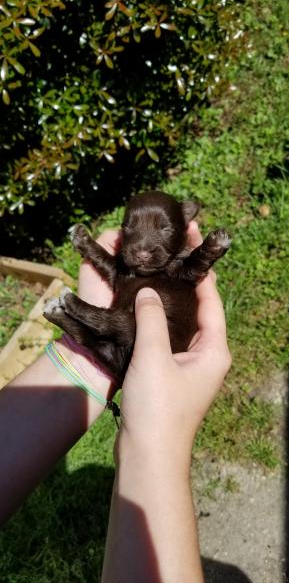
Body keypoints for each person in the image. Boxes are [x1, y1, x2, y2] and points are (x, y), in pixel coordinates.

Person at [0, 223, 231, 582]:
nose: (140, 247)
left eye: (162, 229)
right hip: (118, 338)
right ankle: (76, 322)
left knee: (122, 327)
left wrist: (209, 251)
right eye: (132, 229)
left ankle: (75, 318)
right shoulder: (131, 268)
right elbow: (112, 271)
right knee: (116, 332)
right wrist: (156, 440)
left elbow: (193, 268)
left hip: (131, 331)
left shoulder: (175, 269)